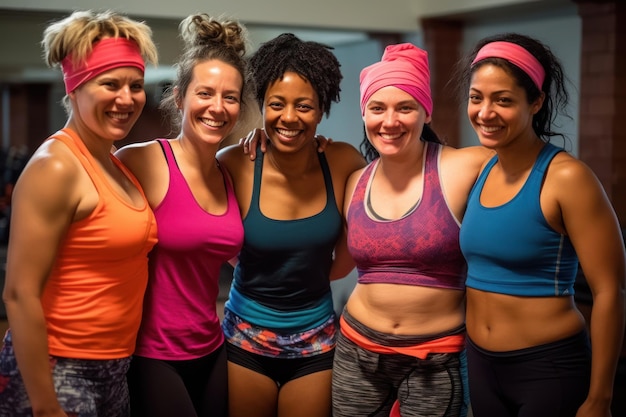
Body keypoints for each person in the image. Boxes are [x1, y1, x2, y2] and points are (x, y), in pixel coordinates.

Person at [456, 33, 626, 417]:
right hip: (480, 364)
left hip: (548, 369)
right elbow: (412, 151)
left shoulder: (567, 177)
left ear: (536, 102)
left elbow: (609, 292)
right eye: (476, 97)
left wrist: (600, 398)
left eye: (503, 100)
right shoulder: (480, 167)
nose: (485, 113)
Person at [0, 10, 158, 417]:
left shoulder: (115, 161)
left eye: (135, 86)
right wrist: (46, 406)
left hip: (113, 368)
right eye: (110, 84)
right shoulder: (56, 167)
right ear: (76, 88)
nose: (127, 98)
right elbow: (19, 294)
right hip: (59, 369)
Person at [329, 43, 492, 417]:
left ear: (425, 113)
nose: (390, 121)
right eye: (377, 108)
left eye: (405, 108)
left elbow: (526, 166)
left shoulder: (464, 166)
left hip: (435, 359)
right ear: (364, 113)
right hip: (357, 351)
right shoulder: (354, 181)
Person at [216, 33, 366, 417]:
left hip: (316, 340)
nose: (289, 118)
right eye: (276, 105)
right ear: (262, 105)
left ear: (321, 111)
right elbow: (227, 243)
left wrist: (308, 274)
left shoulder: (344, 161)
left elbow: (351, 253)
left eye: (304, 107)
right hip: (244, 339)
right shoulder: (233, 162)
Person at [114, 13, 252, 417]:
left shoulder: (229, 173)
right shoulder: (142, 161)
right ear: (180, 97)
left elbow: (234, 253)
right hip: (151, 354)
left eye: (230, 97)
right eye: (205, 93)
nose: (218, 107)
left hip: (212, 347)